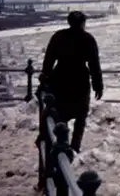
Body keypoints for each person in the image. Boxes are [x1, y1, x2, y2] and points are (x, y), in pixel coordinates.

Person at [39, 11, 104, 153]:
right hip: (80, 82)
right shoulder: (88, 39)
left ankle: (62, 147)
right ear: (83, 23)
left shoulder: (59, 37)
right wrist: (98, 85)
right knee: (80, 119)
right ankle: (74, 149)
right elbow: (94, 65)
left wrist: (45, 77)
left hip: (60, 80)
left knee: (61, 116)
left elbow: (49, 60)